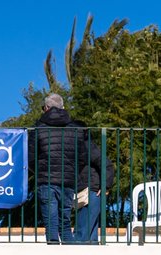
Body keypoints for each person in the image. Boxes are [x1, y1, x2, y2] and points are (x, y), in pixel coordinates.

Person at [30, 93, 105, 245]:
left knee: (51, 222)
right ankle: (69, 253)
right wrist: (72, 170)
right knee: (65, 222)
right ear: (63, 107)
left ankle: (53, 253)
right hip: (68, 180)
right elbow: (82, 156)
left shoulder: (38, 129)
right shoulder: (76, 129)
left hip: (46, 180)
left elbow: (30, 157)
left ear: (46, 108)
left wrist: (39, 171)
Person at [73, 119, 114, 244]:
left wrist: (105, 185)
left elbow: (106, 164)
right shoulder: (82, 146)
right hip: (87, 190)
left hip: (91, 190)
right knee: (90, 237)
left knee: (81, 235)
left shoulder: (87, 146)